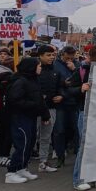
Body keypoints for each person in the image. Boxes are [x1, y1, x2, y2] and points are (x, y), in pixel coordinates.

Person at [5, 57, 47, 184]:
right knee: (22, 143)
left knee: (30, 143)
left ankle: (22, 168)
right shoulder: (20, 81)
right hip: (20, 117)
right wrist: (32, 104)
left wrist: (44, 114)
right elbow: (14, 100)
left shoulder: (33, 80)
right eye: (38, 66)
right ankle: (11, 172)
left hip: (31, 116)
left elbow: (39, 99)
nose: (40, 68)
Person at [74, 45, 96, 191]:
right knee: (85, 146)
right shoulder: (83, 70)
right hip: (86, 112)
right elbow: (68, 88)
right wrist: (80, 89)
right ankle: (78, 179)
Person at [35, 45, 64, 173]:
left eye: (53, 55)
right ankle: (21, 165)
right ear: (40, 56)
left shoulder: (56, 72)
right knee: (32, 136)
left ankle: (43, 162)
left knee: (46, 137)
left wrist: (61, 96)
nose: (51, 57)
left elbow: (61, 87)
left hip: (51, 108)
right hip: (34, 110)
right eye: (48, 55)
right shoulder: (34, 71)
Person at [52, 46, 81, 168]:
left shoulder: (78, 65)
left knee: (76, 130)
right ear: (62, 54)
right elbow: (55, 83)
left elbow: (81, 82)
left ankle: (78, 156)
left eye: (71, 57)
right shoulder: (56, 65)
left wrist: (75, 69)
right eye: (67, 57)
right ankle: (60, 156)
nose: (69, 59)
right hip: (61, 103)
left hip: (74, 102)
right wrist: (63, 94)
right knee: (59, 130)